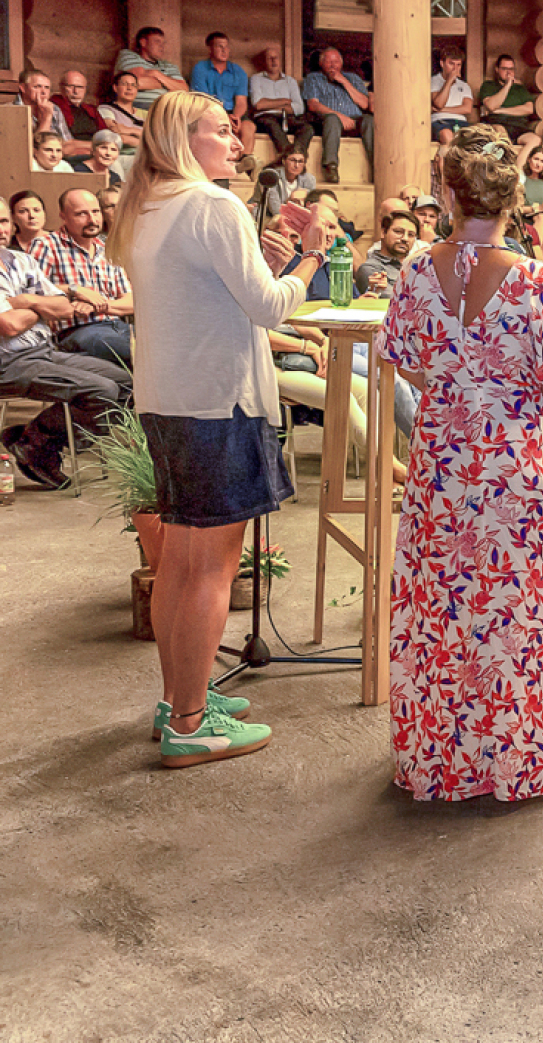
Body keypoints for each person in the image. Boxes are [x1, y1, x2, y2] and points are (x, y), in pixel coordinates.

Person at [112, 91, 328, 765]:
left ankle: (182, 694)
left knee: (179, 560)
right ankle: (191, 723)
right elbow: (266, 307)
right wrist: (311, 258)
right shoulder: (212, 205)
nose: (235, 144)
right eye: (221, 132)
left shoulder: (150, 206)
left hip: (170, 398)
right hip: (218, 402)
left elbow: (205, 286)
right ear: (185, 138)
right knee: (211, 568)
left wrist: (258, 250)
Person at [375, 125, 543, 801]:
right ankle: (518, 762)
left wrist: (455, 379)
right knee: (519, 614)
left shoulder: (413, 270)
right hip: (518, 461)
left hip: (443, 461)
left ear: (446, 195)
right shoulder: (537, 280)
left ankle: (442, 761)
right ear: (513, 199)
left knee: (444, 609)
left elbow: (403, 360)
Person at [0, 218, 133, 489]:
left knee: (128, 385)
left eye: (3, 221)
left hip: (43, 350)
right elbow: (9, 325)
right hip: (7, 362)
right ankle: (37, 444)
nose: (0, 228)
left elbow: (63, 308)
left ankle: (34, 440)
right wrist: (40, 308)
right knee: (102, 390)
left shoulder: (20, 260)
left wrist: (26, 301)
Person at [29, 189, 134, 369]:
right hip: (75, 331)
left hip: (116, 325)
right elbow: (30, 292)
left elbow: (131, 301)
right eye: (81, 214)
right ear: (64, 216)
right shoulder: (46, 245)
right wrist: (75, 289)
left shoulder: (107, 248)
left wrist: (98, 305)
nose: (92, 220)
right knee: (136, 353)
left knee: (160, 346)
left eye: (95, 212)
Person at [302, 47, 375, 184]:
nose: (332, 65)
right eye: (328, 62)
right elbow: (313, 104)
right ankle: (331, 167)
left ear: (341, 64)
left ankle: (377, 168)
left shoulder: (353, 78)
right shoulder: (314, 78)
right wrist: (339, 116)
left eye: (336, 62)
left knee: (370, 120)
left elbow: (365, 104)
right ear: (321, 64)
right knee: (332, 119)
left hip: (355, 119)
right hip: (328, 119)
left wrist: (344, 82)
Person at [188, 32, 256, 164]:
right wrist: (224, 117)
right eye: (220, 46)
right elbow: (203, 100)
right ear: (210, 49)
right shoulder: (200, 68)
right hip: (208, 111)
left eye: (226, 47)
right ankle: (225, 161)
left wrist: (236, 117)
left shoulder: (238, 71)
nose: (224, 50)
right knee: (215, 127)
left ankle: (245, 161)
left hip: (233, 113)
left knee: (249, 126)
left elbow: (241, 102)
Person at [248, 45, 310, 156]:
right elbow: (258, 105)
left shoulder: (290, 81)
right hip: (265, 118)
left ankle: (298, 154)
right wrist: (284, 101)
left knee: (307, 128)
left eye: (276, 58)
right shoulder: (256, 79)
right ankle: (288, 156)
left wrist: (270, 105)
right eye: (269, 58)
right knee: (272, 124)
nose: (273, 61)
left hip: (287, 117)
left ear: (280, 60)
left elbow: (300, 108)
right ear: (264, 61)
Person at [116, 27, 187, 112]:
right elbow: (136, 83)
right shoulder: (129, 56)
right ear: (143, 42)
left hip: (165, 108)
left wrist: (156, 74)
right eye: (157, 41)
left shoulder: (169, 66)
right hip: (138, 106)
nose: (162, 46)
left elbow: (184, 89)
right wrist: (169, 84)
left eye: (163, 43)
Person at [353, 210, 419, 298]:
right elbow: (392, 299)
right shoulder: (370, 268)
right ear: (383, 233)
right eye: (398, 232)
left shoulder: (417, 265)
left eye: (411, 235)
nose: (405, 238)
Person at [477, 56, 538, 141]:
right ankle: (508, 153)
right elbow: (491, 106)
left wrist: (499, 110)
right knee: (501, 133)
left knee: (535, 139)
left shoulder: (520, 89)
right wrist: (508, 85)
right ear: (497, 69)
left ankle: (518, 155)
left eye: (511, 69)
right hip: (497, 124)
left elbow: (529, 109)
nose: (509, 72)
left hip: (518, 127)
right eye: (504, 69)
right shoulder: (488, 85)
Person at [427, 51, 474, 144]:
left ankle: (442, 157)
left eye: (458, 65)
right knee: (447, 135)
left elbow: (467, 109)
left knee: (473, 141)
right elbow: (439, 103)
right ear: (442, 63)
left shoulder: (464, 86)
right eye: (451, 64)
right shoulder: (433, 81)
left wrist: (441, 110)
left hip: (461, 122)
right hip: (440, 121)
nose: (455, 68)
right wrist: (449, 81)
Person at [98, 72, 147, 145]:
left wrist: (131, 130)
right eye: (124, 84)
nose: (129, 88)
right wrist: (148, 142)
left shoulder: (147, 114)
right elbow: (118, 137)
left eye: (133, 85)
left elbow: (159, 138)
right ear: (115, 88)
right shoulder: (106, 109)